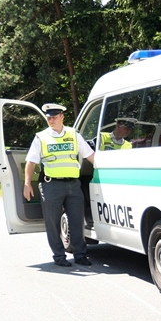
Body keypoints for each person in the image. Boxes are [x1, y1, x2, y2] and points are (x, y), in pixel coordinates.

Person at [23, 103, 95, 267]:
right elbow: (31, 162)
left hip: (73, 185)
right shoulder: (41, 137)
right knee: (53, 222)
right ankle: (59, 256)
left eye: (54, 116)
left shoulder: (74, 134)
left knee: (77, 220)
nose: (51, 119)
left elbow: (91, 156)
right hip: (51, 186)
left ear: (62, 116)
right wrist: (27, 183)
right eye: (48, 117)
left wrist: (107, 169)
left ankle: (80, 255)